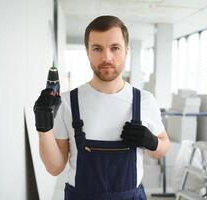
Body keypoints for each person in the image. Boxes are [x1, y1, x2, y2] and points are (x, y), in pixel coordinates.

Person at [33, 15, 170, 200]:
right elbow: (54, 167)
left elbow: (163, 148)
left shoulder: (145, 101)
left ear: (126, 51)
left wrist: (151, 141)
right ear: (88, 52)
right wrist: (44, 128)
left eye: (115, 48)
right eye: (97, 48)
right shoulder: (67, 102)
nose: (106, 57)